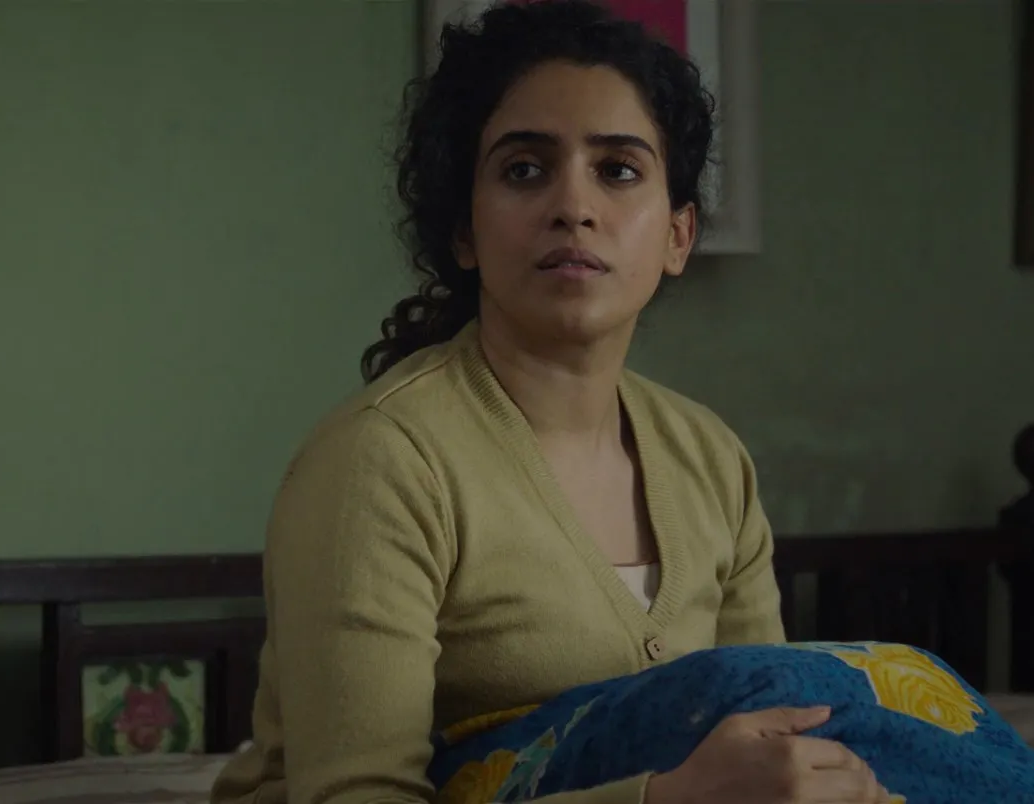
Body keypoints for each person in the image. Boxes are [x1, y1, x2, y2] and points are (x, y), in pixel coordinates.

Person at [210, 3, 890, 802]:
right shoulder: (382, 461)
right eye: (525, 170)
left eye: (619, 170)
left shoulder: (710, 459)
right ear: (464, 232)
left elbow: (773, 721)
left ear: (677, 236)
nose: (574, 206)